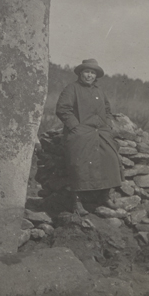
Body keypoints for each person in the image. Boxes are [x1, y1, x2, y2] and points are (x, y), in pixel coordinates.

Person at [56, 58, 122, 215]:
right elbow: (63, 109)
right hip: (80, 133)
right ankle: (77, 202)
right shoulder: (71, 89)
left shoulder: (99, 91)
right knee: (79, 164)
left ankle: (105, 196)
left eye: (92, 73)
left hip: (100, 132)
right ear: (80, 73)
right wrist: (76, 127)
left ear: (96, 75)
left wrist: (107, 125)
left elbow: (106, 109)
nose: (89, 75)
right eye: (86, 72)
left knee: (110, 158)